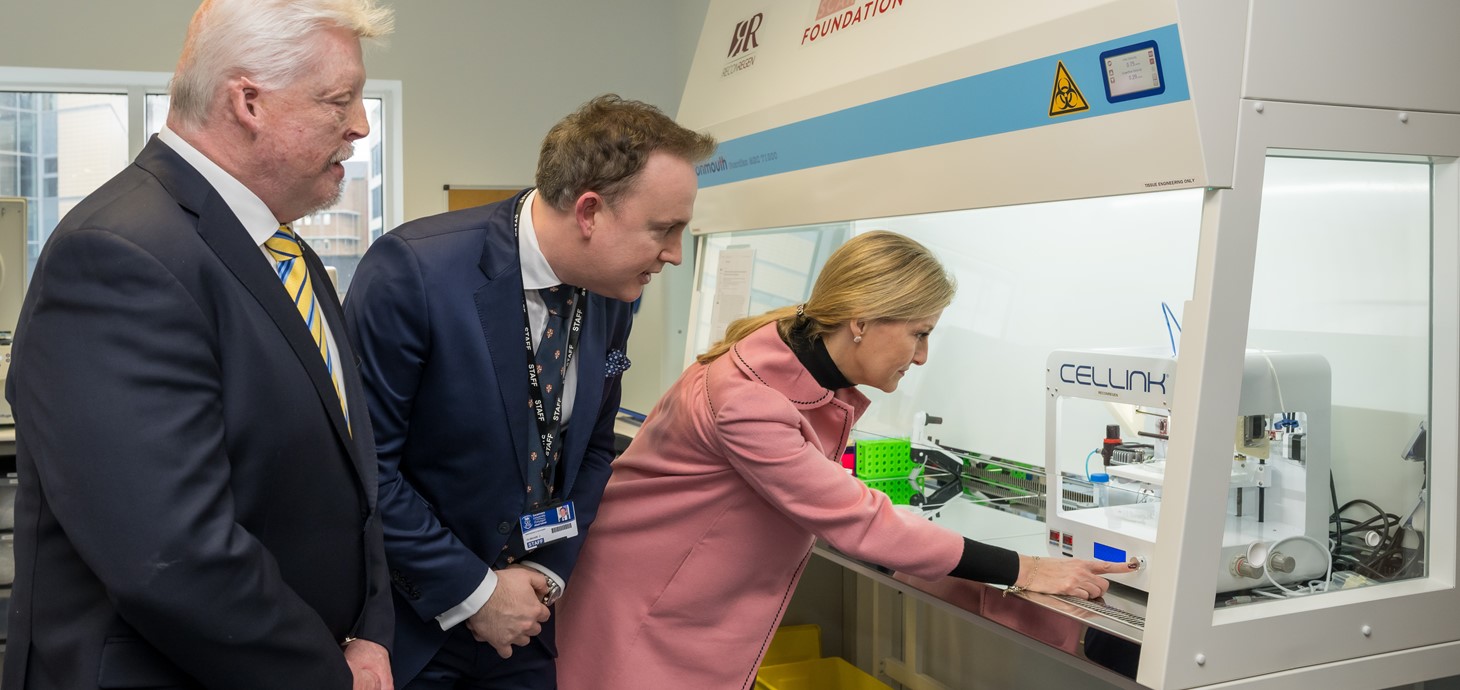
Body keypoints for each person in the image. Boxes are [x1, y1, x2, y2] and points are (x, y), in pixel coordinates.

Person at [0, 1, 396, 688]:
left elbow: (348, 481)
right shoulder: (120, 254)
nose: (360, 125)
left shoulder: (284, 251)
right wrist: (326, 673)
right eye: (340, 100)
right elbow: (171, 557)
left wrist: (368, 632)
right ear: (248, 102)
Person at [553, 231, 1130, 689]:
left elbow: (812, 482)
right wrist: (1026, 570)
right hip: (646, 613)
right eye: (919, 334)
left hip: (675, 603)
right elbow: (860, 521)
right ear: (861, 321)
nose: (924, 357)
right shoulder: (748, 401)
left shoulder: (785, 371)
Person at [343, 94, 716, 689]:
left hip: (529, 621)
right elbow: (364, 469)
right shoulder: (415, 272)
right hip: (417, 625)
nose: (674, 254)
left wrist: (549, 570)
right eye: (663, 230)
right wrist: (476, 593)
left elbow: (592, 449)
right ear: (590, 211)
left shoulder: (611, 291)